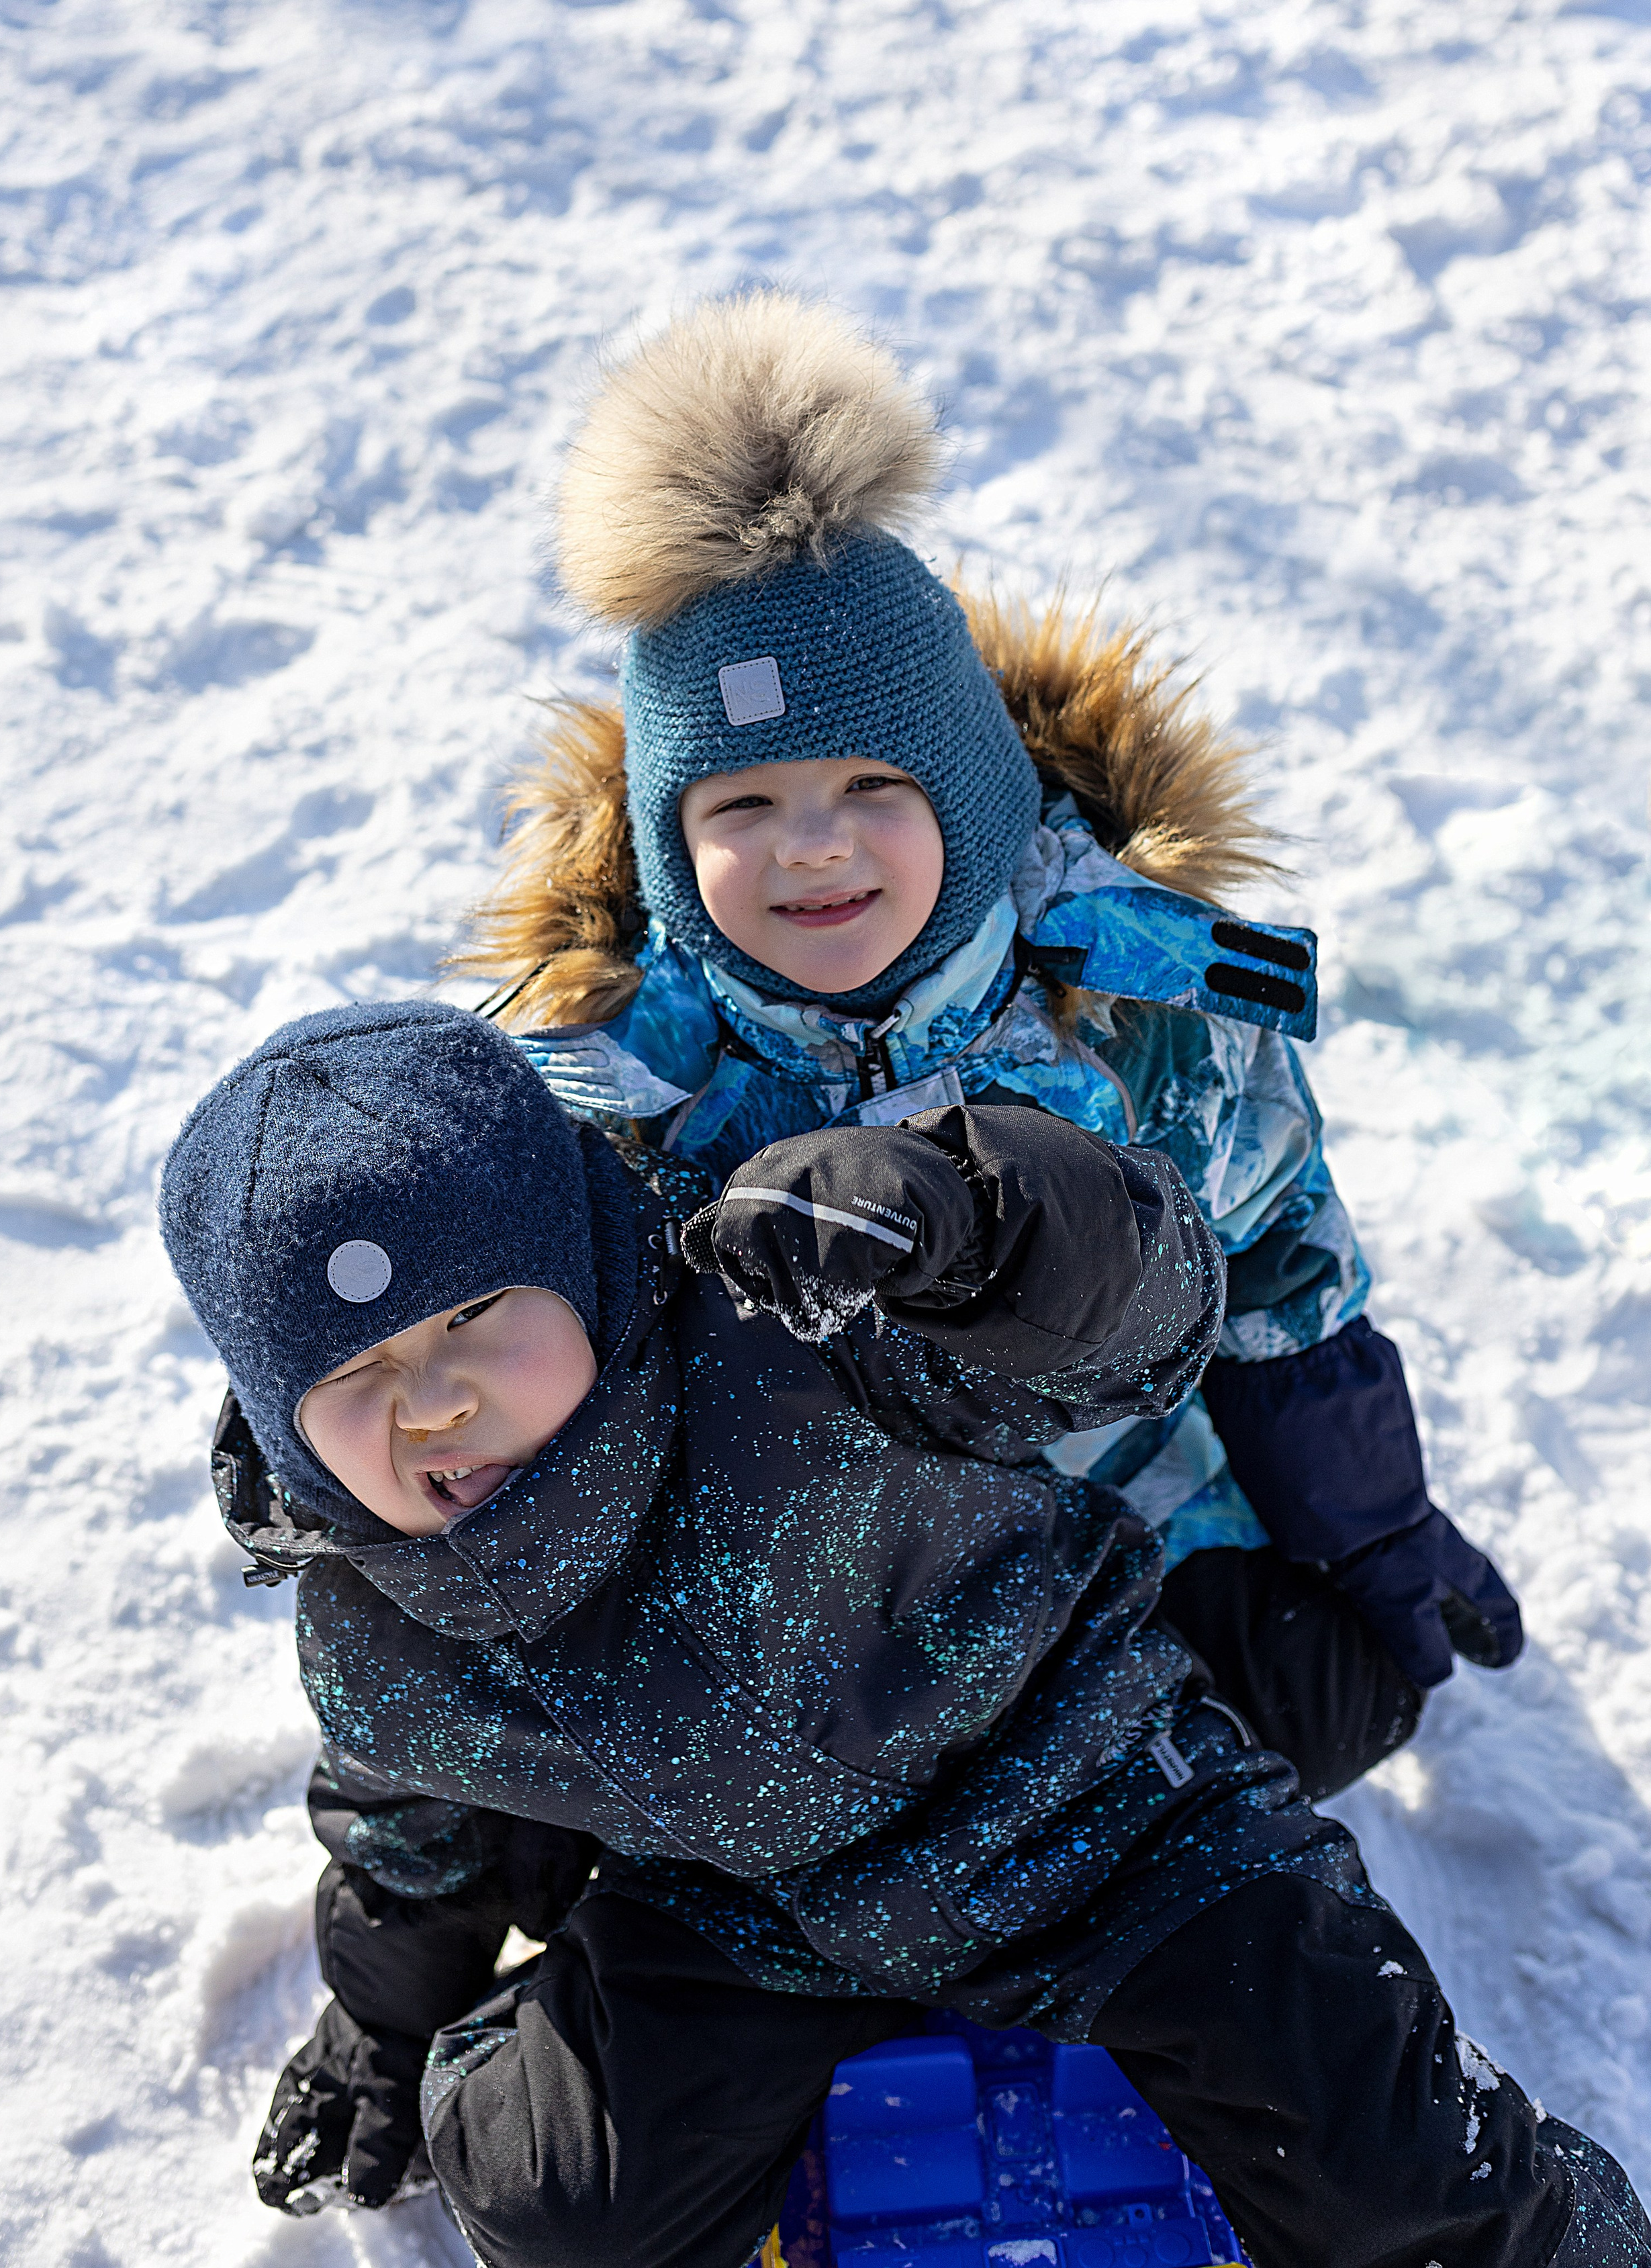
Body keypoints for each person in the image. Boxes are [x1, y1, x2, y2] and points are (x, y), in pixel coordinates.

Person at [158, 998, 1647, 2268]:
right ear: (282, 1428)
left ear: (585, 1259)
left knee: (1388, 2151)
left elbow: (1138, 1326)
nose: (433, 1400)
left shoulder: (779, 1326)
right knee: (556, 2204)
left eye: (479, 1310)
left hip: (1092, 1805)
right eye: (355, 1372)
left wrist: (968, 1222)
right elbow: (405, 1831)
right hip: (756, 1913)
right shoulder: (375, 1627)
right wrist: (378, 2029)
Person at [460, 290, 1521, 1803]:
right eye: (739, 808)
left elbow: (1278, 1254)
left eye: (868, 787)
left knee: (1318, 1693)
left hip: (1110, 1490)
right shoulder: (617, 1068)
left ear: (973, 791)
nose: (810, 850)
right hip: (804, 1557)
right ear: (663, 836)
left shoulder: (1140, 1002)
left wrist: (1365, 1525)